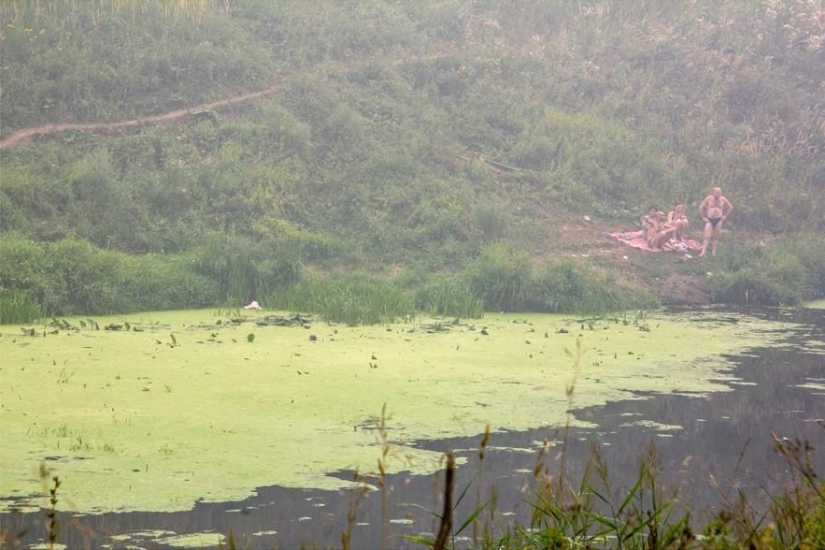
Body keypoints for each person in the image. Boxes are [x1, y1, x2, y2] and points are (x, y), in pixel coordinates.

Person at [697, 187, 734, 256]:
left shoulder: (723, 199)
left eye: (719, 192)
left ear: (721, 193)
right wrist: (703, 217)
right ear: (713, 192)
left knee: (716, 236)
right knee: (707, 236)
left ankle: (714, 252)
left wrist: (725, 216)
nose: (718, 194)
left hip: (718, 219)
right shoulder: (709, 198)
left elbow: (731, 207)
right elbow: (700, 207)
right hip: (709, 219)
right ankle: (703, 251)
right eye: (716, 192)